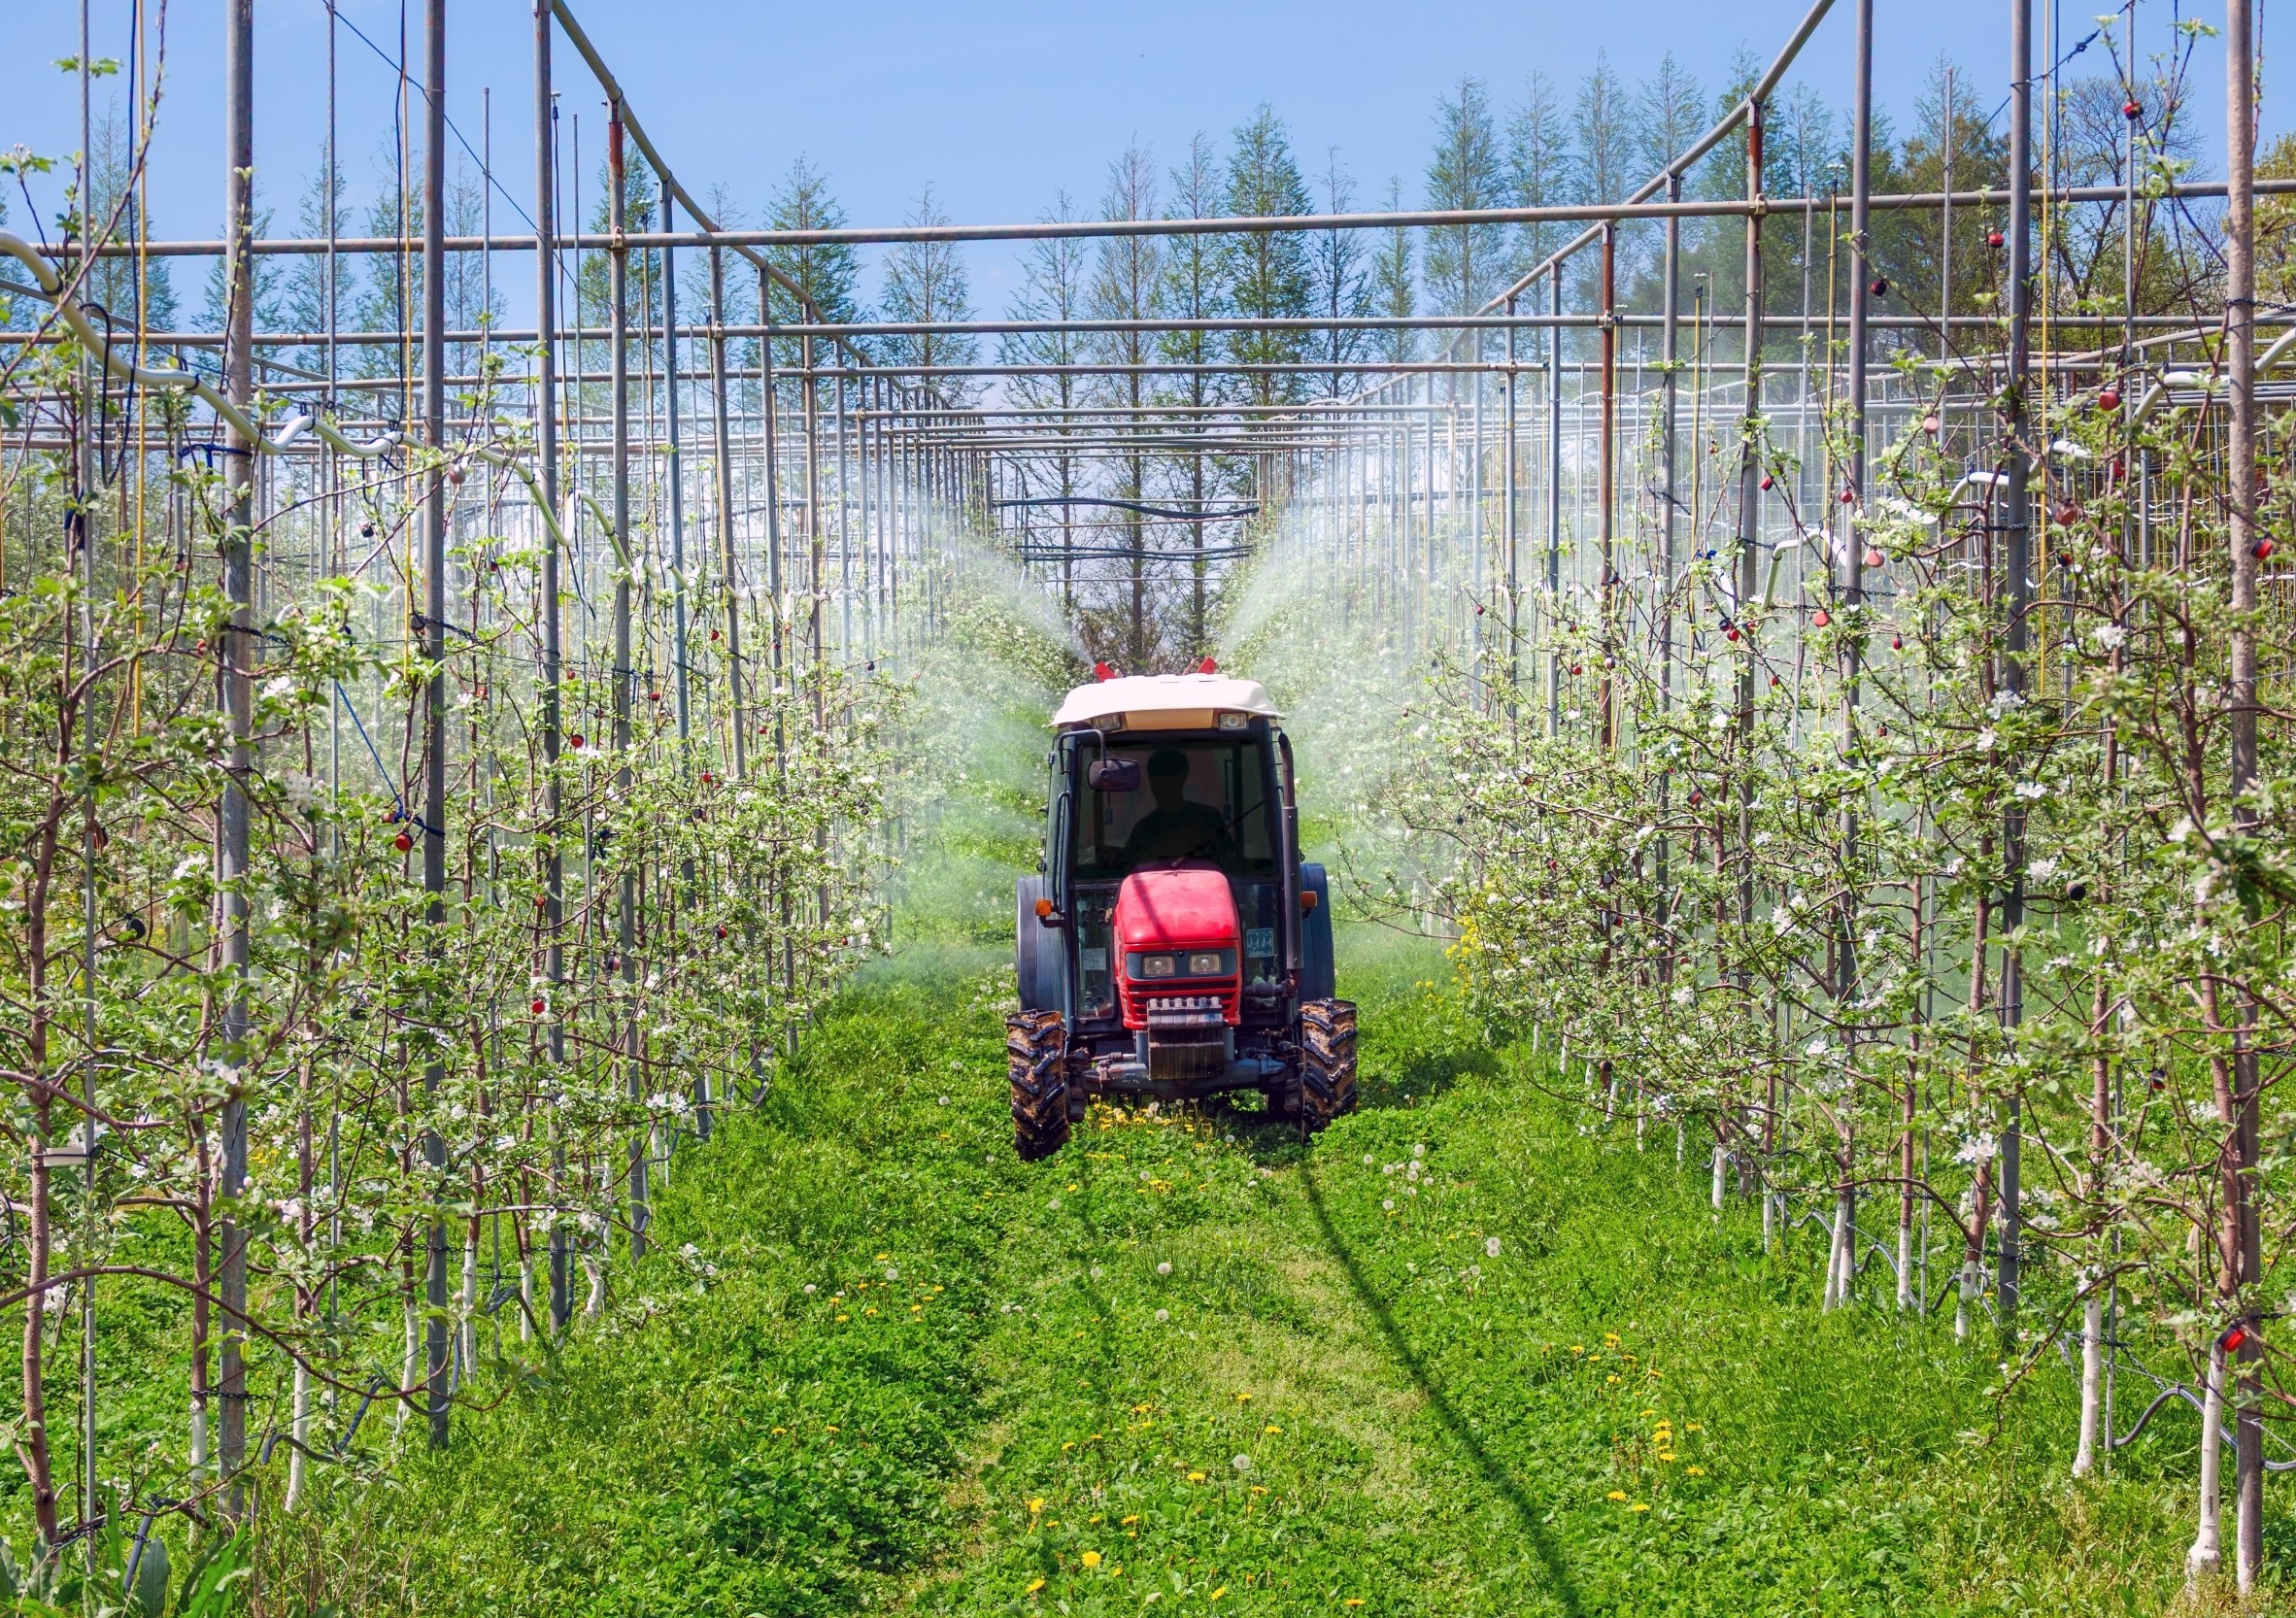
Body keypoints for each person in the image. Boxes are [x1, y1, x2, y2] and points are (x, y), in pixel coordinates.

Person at [1119, 748, 1239, 869]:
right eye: (1156, 775)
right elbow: (1127, 872)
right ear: (1150, 778)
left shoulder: (1208, 819)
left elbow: (1231, 866)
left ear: (1183, 776)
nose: (1162, 783)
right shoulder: (1144, 829)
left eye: (1169, 775)